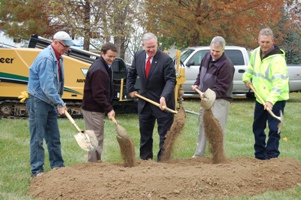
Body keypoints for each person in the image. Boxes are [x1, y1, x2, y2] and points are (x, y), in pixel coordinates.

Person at [26, 31, 74, 177]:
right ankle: (37, 170)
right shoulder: (47, 58)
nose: (66, 49)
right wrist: (60, 103)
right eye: (65, 46)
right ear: (56, 42)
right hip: (38, 100)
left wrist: (57, 101)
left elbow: (57, 82)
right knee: (37, 137)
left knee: (53, 136)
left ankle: (58, 166)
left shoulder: (59, 58)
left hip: (49, 102)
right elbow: (47, 86)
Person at [126, 32, 176, 161]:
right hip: (145, 102)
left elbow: (171, 80)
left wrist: (164, 96)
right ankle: (146, 160)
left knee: (164, 136)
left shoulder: (166, 60)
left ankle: (163, 161)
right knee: (145, 135)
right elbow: (131, 74)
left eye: (154, 46)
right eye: (148, 47)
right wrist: (130, 89)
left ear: (157, 44)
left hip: (162, 103)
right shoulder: (138, 56)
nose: (151, 49)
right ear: (143, 46)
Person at [243, 28, 289, 160]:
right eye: (262, 41)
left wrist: (270, 101)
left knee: (274, 129)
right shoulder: (255, 53)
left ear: (272, 41)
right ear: (258, 40)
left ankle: (272, 156)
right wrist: (247, 77)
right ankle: (260, 155)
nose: (264, 45)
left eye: (267, 42)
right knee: (257, 128)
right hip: (260, 99)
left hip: (276, 100)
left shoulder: (278, 60)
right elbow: (251, 68)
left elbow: (279, 83)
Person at [192, 36, 235, 158]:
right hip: (206, 98)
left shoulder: (226, 65)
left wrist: (208, 94)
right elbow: (201, 72)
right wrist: (197, 83)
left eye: (217, 51)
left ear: (223, 50)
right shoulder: (206, 56)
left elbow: (222, 87)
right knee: (203, 124)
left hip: (219, 100)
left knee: (216, 127)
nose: (214, 53)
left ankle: (217, 156)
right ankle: (199, 155)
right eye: (212, 50)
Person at [81, 42, 117, 162]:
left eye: (114, 56)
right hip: (93, 109)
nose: (112, 59)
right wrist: (109, 108)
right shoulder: (99, 70)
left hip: (94, 109)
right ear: (102, 53)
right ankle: (93, 165)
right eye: (109, 56)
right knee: (95, 138)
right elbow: (98, 94)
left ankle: (94, 163)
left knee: (95, 137)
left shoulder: (103, 66)